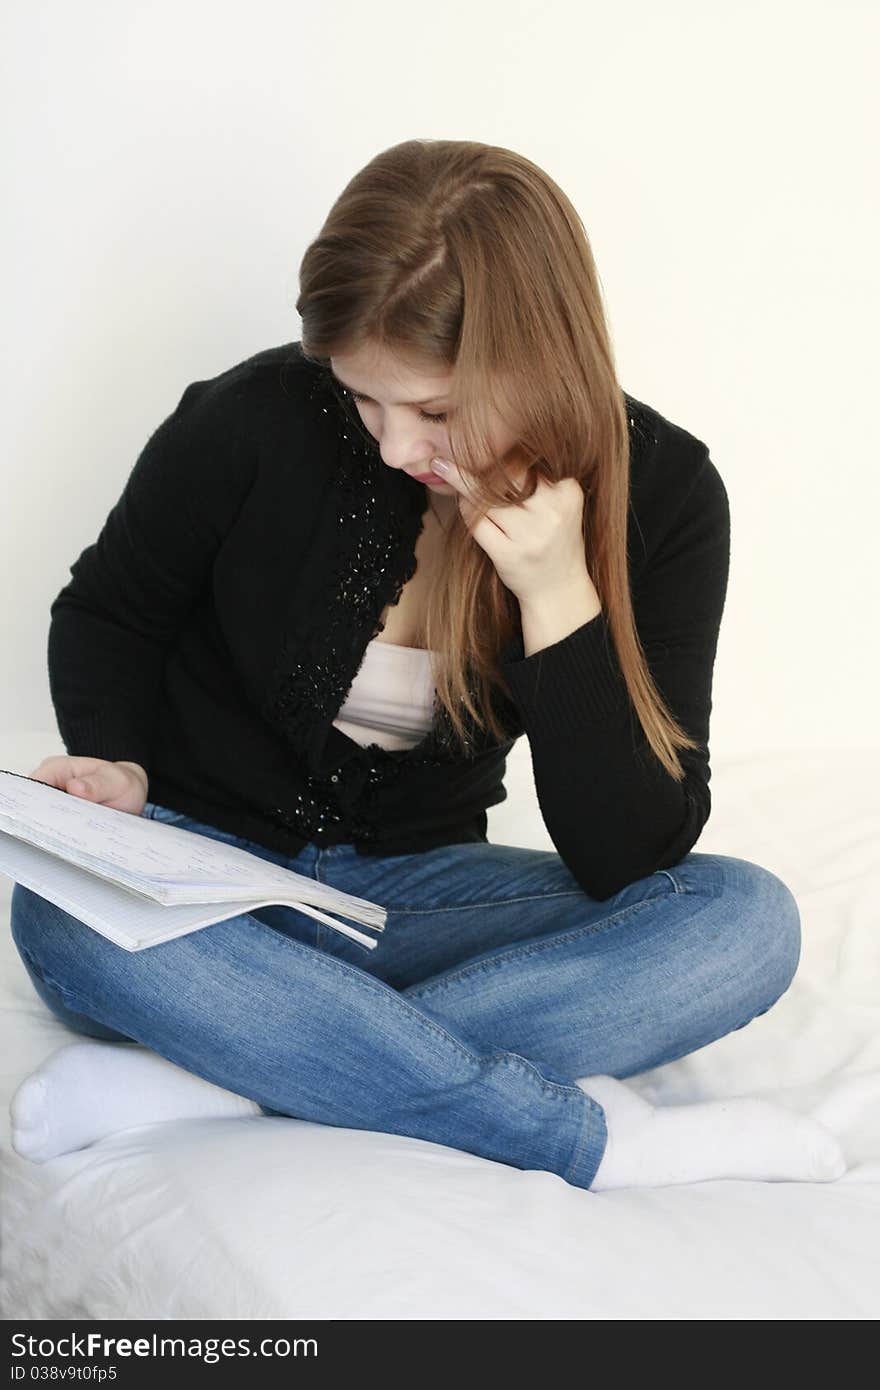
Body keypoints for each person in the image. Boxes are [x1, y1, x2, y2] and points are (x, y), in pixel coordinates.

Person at [9, 139, 845, 1191]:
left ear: (539, 357)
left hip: (408, 907)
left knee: (742, 923)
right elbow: (109, 612)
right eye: (365, 401)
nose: (399, 444)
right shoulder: (257, 415)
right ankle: (578, 1139)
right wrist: (119, 766)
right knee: (58, 910)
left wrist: (558, 601)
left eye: (436, 410)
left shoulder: (667, 497)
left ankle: (237, 1075)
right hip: (202, 878)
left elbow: (629, 856)